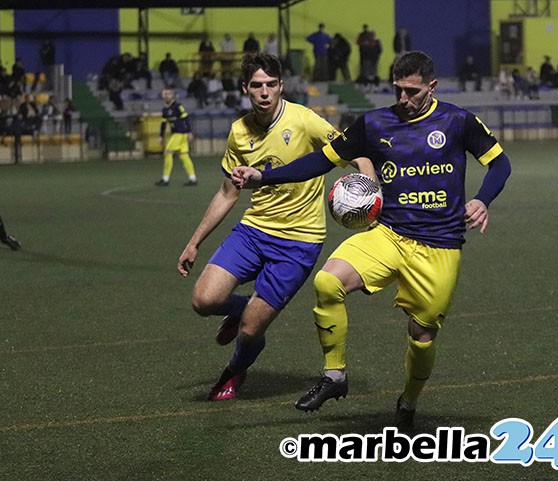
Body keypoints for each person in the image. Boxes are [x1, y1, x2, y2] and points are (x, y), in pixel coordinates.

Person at [232, 51, 512, 432]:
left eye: (412, 91)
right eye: (397, 90)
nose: (403, 99)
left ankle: (409, 402)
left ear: (432, 87)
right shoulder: (375, 123)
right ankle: (334, 376)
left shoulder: (458, 121)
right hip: (388, 234)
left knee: (422, 336)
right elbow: (321, 161)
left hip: (440, 246)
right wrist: (263, 178)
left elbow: (500, 164)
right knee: (327, 281)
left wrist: (482, 199)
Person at [176, 53, 353, 402]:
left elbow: (352, 149)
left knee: (251, 330)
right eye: (256, 85)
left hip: (299, 242)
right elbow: (228, 192)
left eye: (271, 84)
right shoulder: (239, 132)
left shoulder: (304, 120)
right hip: (254, 231)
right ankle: (243, 306)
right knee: (203, 299)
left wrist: (368, 180)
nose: (264, 92)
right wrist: (194, 241)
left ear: (281, 86)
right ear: (246, 89)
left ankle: (234, 370)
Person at [156, 88, 197, 187]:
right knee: (184, 155)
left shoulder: (178, 106)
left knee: (168, 152)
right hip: (178, 134)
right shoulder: (165, 109)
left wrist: (189, 132)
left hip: (179, 134)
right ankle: (193, 178)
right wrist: (161, 136)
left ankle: (165, 179)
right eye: (165, 94)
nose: (166, 95)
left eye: (168, 93)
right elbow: (163, 124)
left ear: (173, 95)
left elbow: (186, 119)